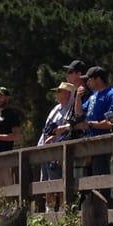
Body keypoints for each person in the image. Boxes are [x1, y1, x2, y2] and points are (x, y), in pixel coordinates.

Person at [74, 66, 113, 206]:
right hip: (90, 143)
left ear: (98, 79)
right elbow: (79, 114)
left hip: (104, 143)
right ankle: (92, 211)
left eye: (89, 79)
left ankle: (108, 210)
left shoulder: (111, 94)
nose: (87, 83)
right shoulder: (92, 96)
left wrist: (92, 124)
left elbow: (112, 121)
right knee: (90, 178)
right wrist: (77, 97)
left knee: (103, 178)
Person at [38, 82, 76, 211]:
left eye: (59, 91)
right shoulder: (56, 108)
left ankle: (60, 210)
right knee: (46, 181)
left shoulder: (70, 109)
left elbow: (67, 129)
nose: (57, 94)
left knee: (57, 180)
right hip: (44, 149)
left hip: (57, 150)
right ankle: (49, 210)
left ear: (67, 93)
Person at [0, 87, 23, 153]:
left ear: (7, 98)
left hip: (5, 157)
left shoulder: (12, 114)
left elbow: (17, 136)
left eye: (0, 96)